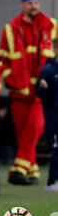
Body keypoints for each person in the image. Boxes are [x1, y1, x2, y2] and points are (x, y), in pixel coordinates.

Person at [0, 0, 58, 185]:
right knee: (24, 133)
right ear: (22, 4)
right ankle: (32, 171)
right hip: (19, 91)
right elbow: (3, 60)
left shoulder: (51, 26)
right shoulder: (10, 29)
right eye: (29, 2)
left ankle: (17, 168)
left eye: (36, 2)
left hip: (43, 91)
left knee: (36, 127)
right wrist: (10, 79)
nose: (33, 6)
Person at [36, 37, 58, 191]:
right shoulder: (48, 70)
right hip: (55, 119)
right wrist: (42, 88)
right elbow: (39, 93)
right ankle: (51, 182)